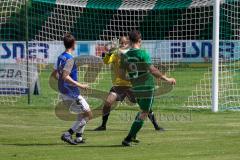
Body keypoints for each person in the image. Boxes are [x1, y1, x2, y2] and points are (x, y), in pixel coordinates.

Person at [94, 36, 164, 131]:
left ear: (129, 44)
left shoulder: (131, 54)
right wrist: (110, 52)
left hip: (133, 85)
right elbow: (106, 61)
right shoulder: (116, 55)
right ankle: (103, 125)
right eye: (121, 43)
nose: (123, 45)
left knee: (145, 106)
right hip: (119, 86)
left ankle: (156, 126)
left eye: (125, 43)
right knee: (108, 102)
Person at [120, 30, 176, 146]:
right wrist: (167, 79)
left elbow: (121, 75)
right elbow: (153, 70)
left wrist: (133, 78)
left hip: (136, 87)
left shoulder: (125, 56)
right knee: (144, 113)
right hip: (146, 87)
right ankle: (128, 138)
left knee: (143, 110)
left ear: (129, 41)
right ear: (140, 40)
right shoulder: (142, 54)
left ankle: (133, 135)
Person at [51, 33, 92, 145]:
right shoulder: (70, 59)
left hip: (65, 91)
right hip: (71, 93)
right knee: (88, 114)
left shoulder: (60, 57)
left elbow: (55, 74)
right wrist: (80, 85)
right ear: (73, 44)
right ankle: (68, 134)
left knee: (81, 114)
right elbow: (65, 76)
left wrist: (63, 83)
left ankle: (78, 137)